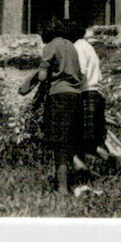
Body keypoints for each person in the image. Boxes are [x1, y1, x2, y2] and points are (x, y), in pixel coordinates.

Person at [19, 18, 87, 191]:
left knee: (59, 144)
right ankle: (80, 174)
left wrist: (33, 79)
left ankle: (62, 189)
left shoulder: (51, 46)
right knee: (71, 139)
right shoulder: (71, 47)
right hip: (75, 96)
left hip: (59, 96)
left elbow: (43, 76)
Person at [64, 21, 116, 164]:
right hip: (95, 92)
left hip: (86, 93)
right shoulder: (88, 47)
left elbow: (80, 71)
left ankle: (111, 161)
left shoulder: (78, 47)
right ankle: (107, 164)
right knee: (93, 137)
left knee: (86, 140)